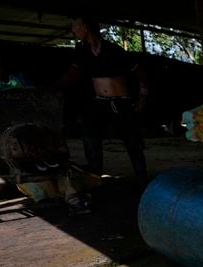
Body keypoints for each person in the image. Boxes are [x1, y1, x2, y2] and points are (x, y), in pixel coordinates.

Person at [57, 13, 149, 191]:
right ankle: (94, 175)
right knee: (89, 132)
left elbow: (141, 74)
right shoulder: (82, 53)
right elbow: (70, 78)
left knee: (133, 142)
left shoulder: (113, 50)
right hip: (100, 102)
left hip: (122, 102)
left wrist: (143, 96)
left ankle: (143, 181)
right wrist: (51, 89)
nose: (73, 30)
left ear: (85, 27)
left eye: (75, 26)